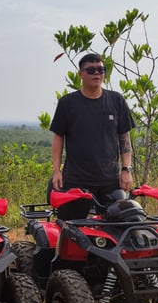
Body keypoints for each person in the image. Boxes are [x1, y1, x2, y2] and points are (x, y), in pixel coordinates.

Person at [50, 53, 135, 220]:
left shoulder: (116, 100)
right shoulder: (67, 103)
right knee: (70, 228)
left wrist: (126, 169)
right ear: (80, 74)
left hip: (110, 180)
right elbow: (58, 138)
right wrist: (56, 171)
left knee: (117, 229)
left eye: (101, 69)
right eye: (91, 70)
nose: (97, 73)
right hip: (76, 180)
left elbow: (124, 136)